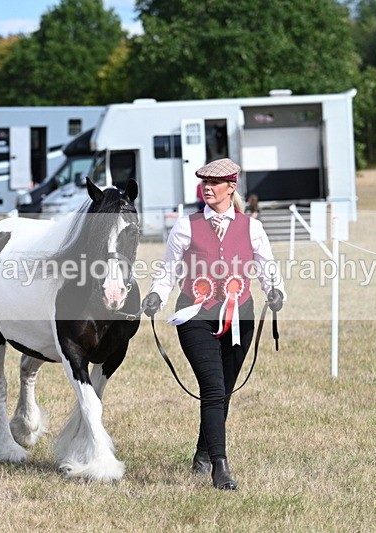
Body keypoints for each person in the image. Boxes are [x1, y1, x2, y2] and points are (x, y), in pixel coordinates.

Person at [142, 158, 285, 490]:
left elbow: (267, 269)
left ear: (231, 187)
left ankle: (203, 452)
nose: (206, 188)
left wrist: (276, 292)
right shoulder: (185, 225)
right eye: (203, 183)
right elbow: (169, 271)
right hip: (195, 315)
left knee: (224, 391)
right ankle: (220, 467)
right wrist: (156, 296)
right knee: (213, 387)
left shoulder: (252, 227)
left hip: (241, 317)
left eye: (213, 183)